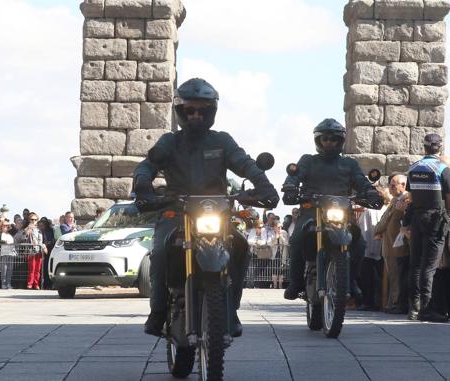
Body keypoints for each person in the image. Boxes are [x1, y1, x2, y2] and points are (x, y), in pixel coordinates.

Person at [133, 78, 279, 337]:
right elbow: (148, 164)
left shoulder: (222, 141)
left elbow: (245, 163)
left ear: (211, 112)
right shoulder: (170, 141)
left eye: (203, 110)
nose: (196, 115)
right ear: (181, 112)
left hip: (217, 212)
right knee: (160, 251)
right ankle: (157, 310)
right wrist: (143, 183)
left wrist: (264, 185)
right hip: (176, 212)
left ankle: (230, 308)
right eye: (190, 110)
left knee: (241, 246)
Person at [282, 118, 383, 300]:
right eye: (325, 138)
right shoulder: (308, 160)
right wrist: (290, 186)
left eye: (333, 138)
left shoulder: (349, 164)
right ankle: (296, 282)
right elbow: (295, 177)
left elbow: (361, 180)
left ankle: (350, 280)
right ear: (319, 141)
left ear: (340, 141)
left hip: (342, 214)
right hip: (312, 211)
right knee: (296, 239)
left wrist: (370, 191)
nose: (329, 142)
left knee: (359, 244)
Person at [403, 133, 450, 322]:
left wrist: (406, 223)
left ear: (424, 147)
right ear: (440, 147)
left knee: (415, 264)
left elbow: (411, 199)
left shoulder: (413, 168)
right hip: (436, 219)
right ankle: (427, 308)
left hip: (417, 217)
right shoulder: (442, 168)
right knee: (430, 266)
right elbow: (448, 198)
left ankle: (413, 309)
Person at [375, 174, 410, 314]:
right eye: (391, 184)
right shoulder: (395, 200)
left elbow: (386, 222)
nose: (391, 187)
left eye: (394, 184)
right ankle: (391, 303)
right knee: (392, 276)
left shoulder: (406, 200)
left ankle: (396, 304)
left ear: (403, 185)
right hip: (390, 244)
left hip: (398, 246)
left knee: (397, 276)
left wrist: (378, 230)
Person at [16, 212, 46, 289]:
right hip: (30, 251)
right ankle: (30, 283)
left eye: (35, 219)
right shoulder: (27, 228)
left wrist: (43, 247)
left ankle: (36, 283)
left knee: (38, 269)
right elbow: (23, 237)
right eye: (32, 219)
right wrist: (28, 229)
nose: (33, 221)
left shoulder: (39, 230)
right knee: (31, 268)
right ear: (29, 220)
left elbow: (41, 240)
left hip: (38, 251)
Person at [0, 219, 16, 289]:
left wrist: (10, 225)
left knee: (10, 269)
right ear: (1, 226)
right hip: (3, 254)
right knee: (4, 269)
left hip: (11, 254)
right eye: (4, 225)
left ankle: (8, 283)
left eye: (7, 226)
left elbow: (14, 229)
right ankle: (3, 284)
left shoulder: (11, 234)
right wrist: (4, 242)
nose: (6, 227)